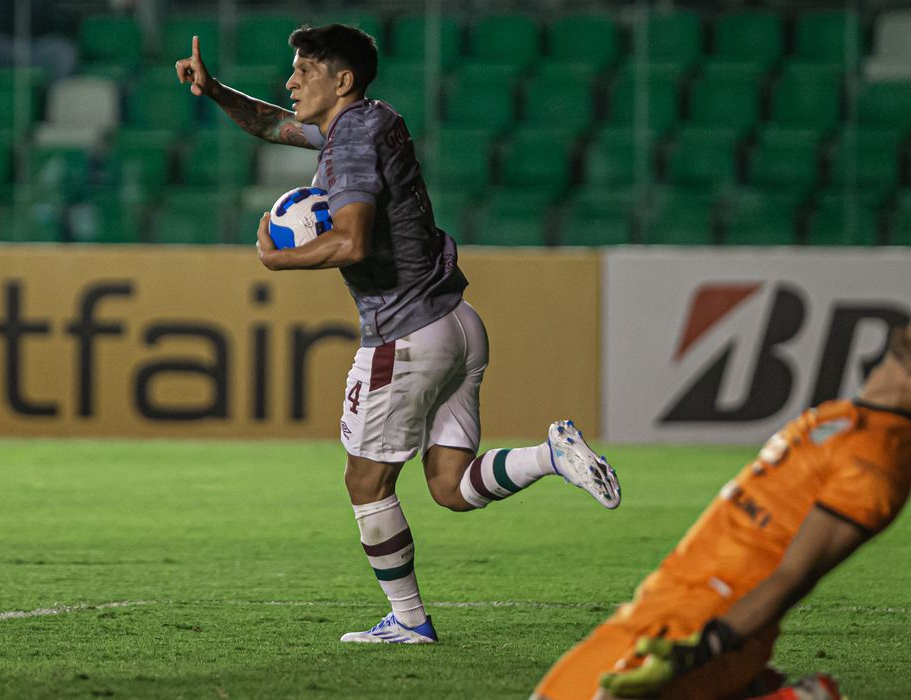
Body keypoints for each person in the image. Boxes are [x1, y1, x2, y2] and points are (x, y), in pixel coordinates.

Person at [174, 24, 620, 644]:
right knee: (451, 487)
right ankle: (553, 455)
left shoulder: (351, 140)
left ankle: (409, 620)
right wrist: (217, 90)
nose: (291, 79)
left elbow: (351, 239)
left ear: (342, 80)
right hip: (457, 323)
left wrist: (278, 260)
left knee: (365, 482)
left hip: (404, 333)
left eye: (304, 69)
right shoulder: (368, 122)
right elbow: (273, 124)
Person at [534, 322, 911, 699]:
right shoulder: (855, 420)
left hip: (706, 621)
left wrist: (704, 648)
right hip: (661, 600)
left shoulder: (879, 460)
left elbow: (794, 575)